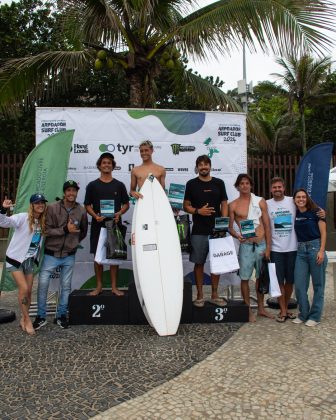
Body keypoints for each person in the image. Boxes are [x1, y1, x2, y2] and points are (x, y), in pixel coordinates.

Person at [33, 181, 88, 330]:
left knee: (65, 286)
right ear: (64, 192)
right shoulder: (51, 207)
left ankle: (61, 315)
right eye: (68, 190)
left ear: (77, 192)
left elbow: (83, 231)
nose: (71, 193)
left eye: (74, 191)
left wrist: (73, 242)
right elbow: (47, 230)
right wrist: (65, 230)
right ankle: (41, 316)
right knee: (43, 285)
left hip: (69, 255)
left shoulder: (81, 210)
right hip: (51, 254)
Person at [183, 155, 228, 307]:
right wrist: (198, 211)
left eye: (206, 164)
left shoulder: (219, 183)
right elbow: (186, 206)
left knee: (217, 264)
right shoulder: (191, 184)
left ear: (210, 166)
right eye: (200, 165)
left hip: (217, 231)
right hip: (199, 231)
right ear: (197, 167)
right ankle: (200, 295)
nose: (203, 167)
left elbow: (224, 204)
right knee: (199, 263)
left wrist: (224, 223)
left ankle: (215, 294)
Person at [0, 193, 48, 335]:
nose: (40, 205)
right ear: (32, 205)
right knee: (23, 288)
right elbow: (3, 222)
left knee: (28, 290)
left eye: (42, 203)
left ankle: (23, 319)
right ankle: (27, 320)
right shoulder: (22, 217)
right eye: (37, 203)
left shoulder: (43, 221)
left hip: (29, 260)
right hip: (15, 259)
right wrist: (3, 209)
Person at [229, 174, 273, 322]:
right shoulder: (233, 205)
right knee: (245, 278)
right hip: (246, 246)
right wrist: (237, 236)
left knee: (261, 277)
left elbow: (267, 225)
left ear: (251, 185)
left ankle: (261, 308)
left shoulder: (260, 202)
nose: (245, 186)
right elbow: (230, 228)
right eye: (242, 183)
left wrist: (268, 248)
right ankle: (247, 310)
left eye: (247, 183)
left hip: (261, 244)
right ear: (237, 186)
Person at [84, 153, 130, 296]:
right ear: (99, 165)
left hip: (114, 225)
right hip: (98, 225)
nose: (106, 165)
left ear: (113, 166)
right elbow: (87, 205)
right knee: (98, 258)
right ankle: (99, 287)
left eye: (109, 163)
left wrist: (119, 213)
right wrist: (95, 216)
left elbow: (126, 204)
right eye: (104, 162)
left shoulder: (119, 185)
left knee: (114, 257)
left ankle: (114, 287)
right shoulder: (92, 185)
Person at [292, 189, 327, 327]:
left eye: (303, 197)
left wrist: (321, 251)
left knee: (318, 285)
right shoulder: (294, 213)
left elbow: (323, 233)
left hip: (315, 249)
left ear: (307, 198)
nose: (301, 199)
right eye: (298, 197)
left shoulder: (317, 212)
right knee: (300, 285)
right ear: (294, 200)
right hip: (300, 252)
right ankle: (303, 314)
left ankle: (315, 316)